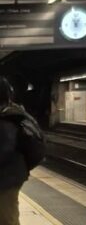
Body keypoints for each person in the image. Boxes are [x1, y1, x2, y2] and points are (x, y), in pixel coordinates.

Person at [0, 76, 43, 225]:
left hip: (5, 179)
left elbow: (4, 153)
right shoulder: (16, 113)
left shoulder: (6, 121)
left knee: (6, 219)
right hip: (12, 176)